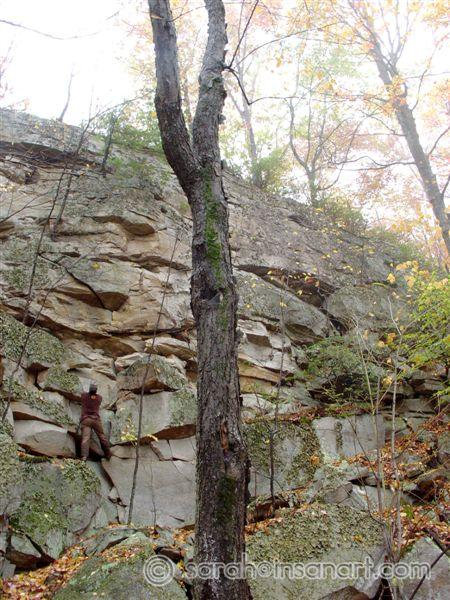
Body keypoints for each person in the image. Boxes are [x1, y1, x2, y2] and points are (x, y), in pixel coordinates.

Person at [80, 382, 111, 461]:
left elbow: (82, 394)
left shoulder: (84, 395)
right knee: (102, 436)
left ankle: (84, 456)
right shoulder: (99, 398)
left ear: (89, 389)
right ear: (96, 390)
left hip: (86, 419)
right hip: (96, 420)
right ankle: (108, 454)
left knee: (86, 438)